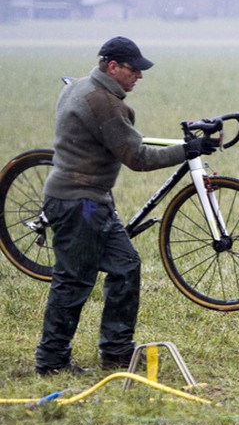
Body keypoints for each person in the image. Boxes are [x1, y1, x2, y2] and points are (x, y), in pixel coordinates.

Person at [35, 36, 220, 375]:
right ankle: (51, 362)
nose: (140, 76)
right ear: (112, 67)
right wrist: (188, 150)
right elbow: (137, 157)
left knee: (125, 265)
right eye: (134, 69)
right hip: (79, 204)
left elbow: (123, 141)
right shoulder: (103, 102)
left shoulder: (79, 87)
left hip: (91, 202)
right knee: (73, 281)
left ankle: (117, 352)